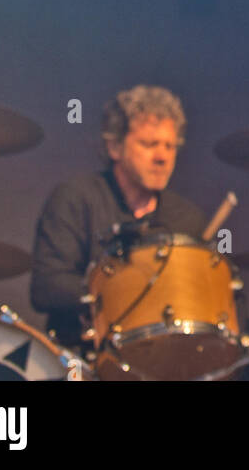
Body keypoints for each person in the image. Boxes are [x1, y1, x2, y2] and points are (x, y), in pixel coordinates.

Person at [30, 85, 208, 349]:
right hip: (86, 357)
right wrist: (126, 289)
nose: (162, 157)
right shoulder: (75, 199)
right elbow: (48, 287)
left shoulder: (188, 219)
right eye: (149, 144)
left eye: (170, 146)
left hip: (168, 360)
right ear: (114, 146)